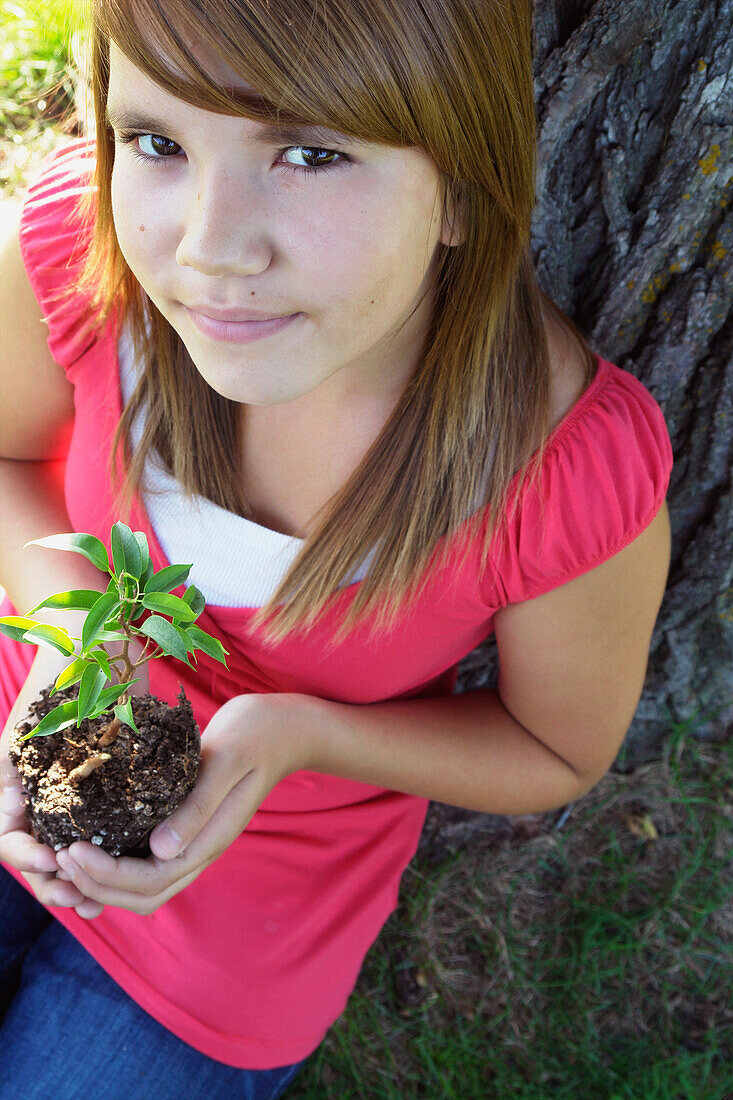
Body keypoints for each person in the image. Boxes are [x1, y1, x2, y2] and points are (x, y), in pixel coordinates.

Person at [0, 0, 673, 1095]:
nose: (210, 247)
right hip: (25, 731)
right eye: (159, 142)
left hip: (243, 921)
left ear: (460, 184)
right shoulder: (83, 256)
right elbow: (8, 458)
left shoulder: (553, 473)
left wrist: (305, 731)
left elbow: (553, 747)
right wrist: (75, 624)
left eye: (310, 152)